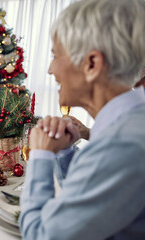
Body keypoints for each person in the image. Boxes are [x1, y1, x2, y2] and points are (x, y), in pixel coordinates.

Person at [19, 0, 145, 239]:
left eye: (55, 55)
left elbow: (40, 235)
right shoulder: (129, 124)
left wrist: (41, 155)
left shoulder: (120, 147)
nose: (49, 70)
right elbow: (85, 205)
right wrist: (65, 153)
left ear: (91, 64)